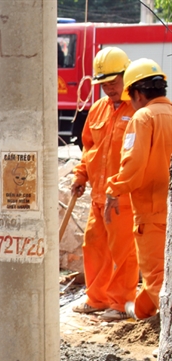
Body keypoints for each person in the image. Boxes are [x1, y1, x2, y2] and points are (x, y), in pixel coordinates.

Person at [70, 47, 139, 321]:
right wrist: (80, 175)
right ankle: (96, 297)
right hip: (99, 195)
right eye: (104, 84)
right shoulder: (98, 110)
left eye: (113, 82)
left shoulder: (137, 109)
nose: (109, 89)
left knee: (122, 250)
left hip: (122, 196)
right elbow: (90, 149)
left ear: (126, 75)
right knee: (93, 245)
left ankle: (121, 302)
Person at [105, 58, 172, 321]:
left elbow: (133, 166)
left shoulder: (142, 118)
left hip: (152, 212)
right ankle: (143, 310)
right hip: (166, 208)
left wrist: (114, 189)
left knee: (157, 277)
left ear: (138, 94)